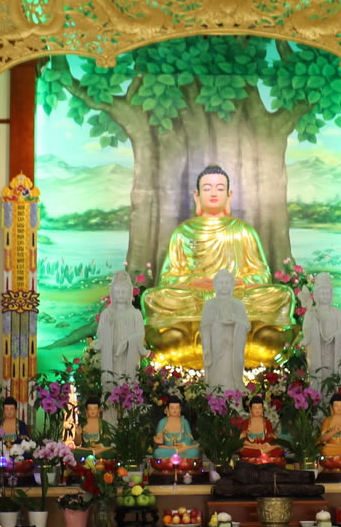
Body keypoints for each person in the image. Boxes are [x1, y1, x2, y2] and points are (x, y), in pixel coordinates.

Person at [139, 165, 293, 348]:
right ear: (197, 195)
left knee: (283, 295)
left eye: (220, 189)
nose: (213, 193)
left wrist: (237, 283)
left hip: (236, 295)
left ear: (229, 195)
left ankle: (187, 337)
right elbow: (168, 278)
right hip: (195, 297)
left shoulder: (242, 231)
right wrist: (195, 283)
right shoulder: (183, 232)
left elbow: (262, 275)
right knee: (151, 298)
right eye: (207, 188)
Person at [199, 269, 250, 393]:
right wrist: (207, 348)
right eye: (221, 282)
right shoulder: (209, 304)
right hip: (216, 344)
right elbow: (205, 327)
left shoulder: (238, 304)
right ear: (215, 285)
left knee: (231, 368)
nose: (224, 285)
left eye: (227, 283)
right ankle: (215, 398)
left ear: (232, 285)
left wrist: (236, 321)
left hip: (233, 345)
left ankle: (233, 397)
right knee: (217, 368)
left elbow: (246, 325)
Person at [95, 267, 144, 389]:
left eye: (123, 292)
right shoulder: (107, 314)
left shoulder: (135, 314)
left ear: (129, 293)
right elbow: (100, 334)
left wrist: (127, 342)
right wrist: (108, 328)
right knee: (112, 382)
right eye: (118, 292)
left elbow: (141, 334)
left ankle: (130, 397)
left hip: (129, 355)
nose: (121, 295)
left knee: (129, 382)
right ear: (113, 293)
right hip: (112, 356)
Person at [302, 272, 341, 382]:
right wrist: (313, 323)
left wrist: (334, 335)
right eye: (323, 293)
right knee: (318, 375)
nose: (325, 296)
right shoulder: (311, 313)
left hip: (333, 350)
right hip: (317, 350)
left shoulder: (337, 312)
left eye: (328, 293)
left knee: (333, 374)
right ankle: (316, 390)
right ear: (317, 294)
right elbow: (306, 330)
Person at [238, 396, 285, 464]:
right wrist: (254, 446)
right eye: (255, 408)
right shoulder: (246, 423)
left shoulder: (267, 422)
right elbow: (242, 439)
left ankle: (260, 454)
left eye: (259, 408)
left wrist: (265, 445)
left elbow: (272, 438)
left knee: (279, 450)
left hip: (265, 446)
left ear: (263, 409)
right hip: (251, 447)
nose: (257, 410)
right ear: (250, 409)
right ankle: (263, 455)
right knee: (243, 451)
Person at [152, 397, 199, 462]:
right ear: (167, 409)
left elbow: (189, 438)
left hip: (183, 448)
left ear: (180, 409)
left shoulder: (184, 422)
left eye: (177, 408)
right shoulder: (162, 422)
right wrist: (159, 440)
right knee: (158, 452)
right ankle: (177, 452)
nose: (175, 410)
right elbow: (159, 437)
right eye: (172, 408)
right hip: (168, 449)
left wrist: (182, 444)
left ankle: (176, 453)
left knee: (194, 452)